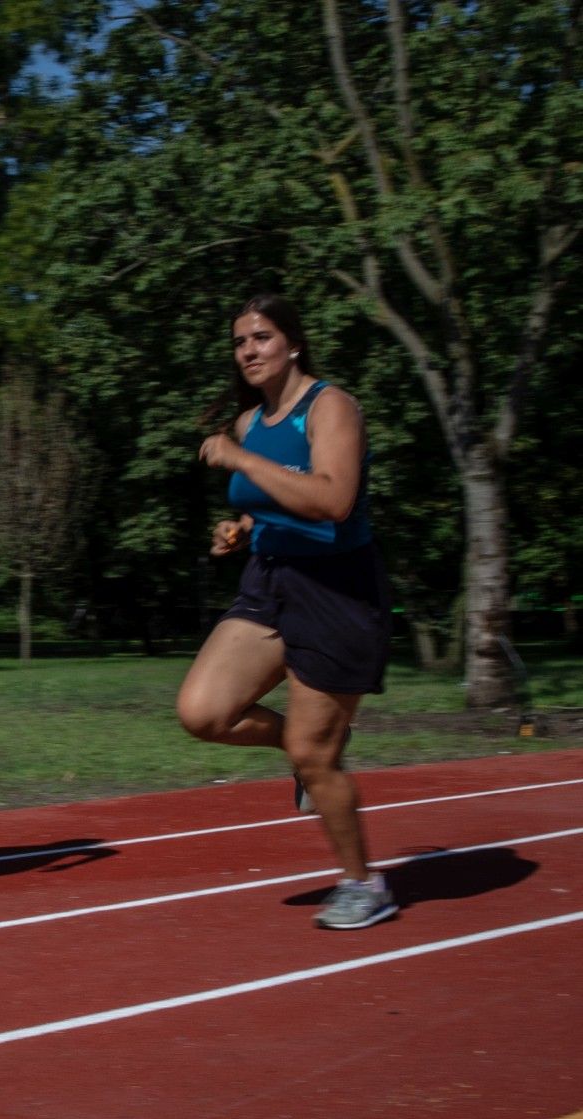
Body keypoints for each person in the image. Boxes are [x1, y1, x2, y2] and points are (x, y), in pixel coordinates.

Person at [176, 293, 395, 929]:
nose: (248, 350)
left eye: (262, 337)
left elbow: (333, 500)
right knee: (202, 712)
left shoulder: (331, 407)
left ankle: (364, 883)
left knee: (313, 752)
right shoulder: (250, 422)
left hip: (339, 592)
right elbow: (271, 500)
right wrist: (240, 528)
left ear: (293, 343)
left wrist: (243, 460)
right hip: (269, 581)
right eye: (240, 341)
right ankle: (312, 749)